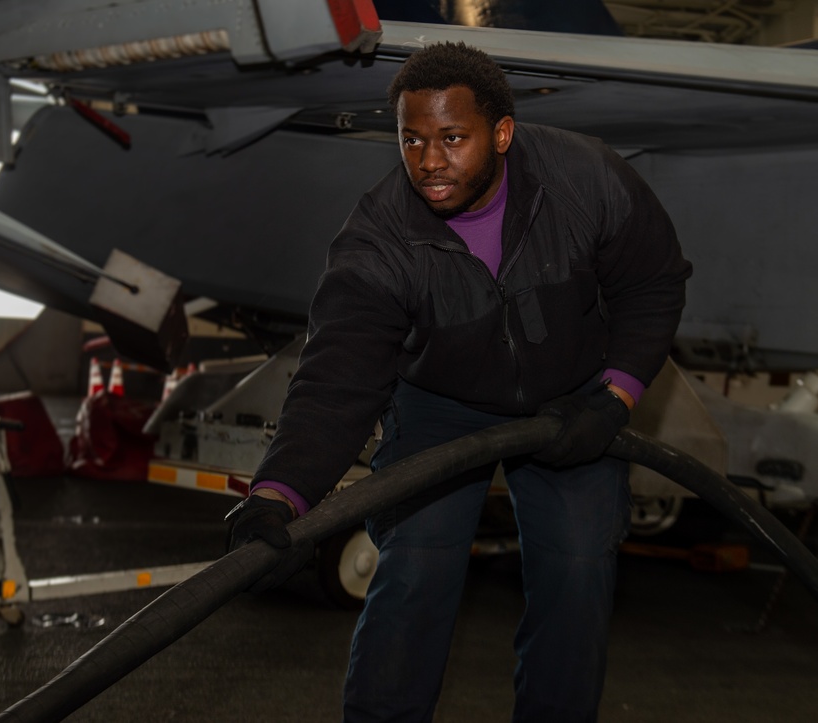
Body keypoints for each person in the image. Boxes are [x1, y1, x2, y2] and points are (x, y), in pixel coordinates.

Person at [227, 41, 691, 722]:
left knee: (576, 575)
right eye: (411, 140)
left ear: (501, 133)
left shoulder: (585, 179)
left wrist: (613, 398)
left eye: (451, 138)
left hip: (573, 400)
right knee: (412, 572)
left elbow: (652, 284)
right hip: (439, 402)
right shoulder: (377, 240)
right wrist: (276, 497)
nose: (428, 162)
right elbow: (336, 380)